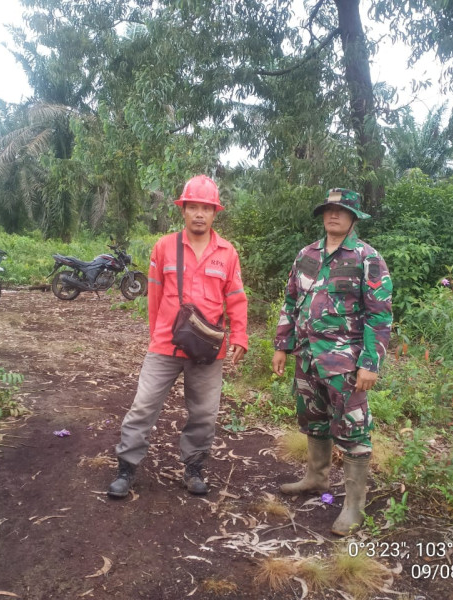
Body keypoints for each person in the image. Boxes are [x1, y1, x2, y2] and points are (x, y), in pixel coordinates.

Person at [108, 175, 248, 498]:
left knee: (204, 413)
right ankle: (126, 469)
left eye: (206, 208)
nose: (199, 214)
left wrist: (239, 335)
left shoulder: (227, 253)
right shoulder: (164, 247)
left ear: (215, 213)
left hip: (208, 349)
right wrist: (156, 335)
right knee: (143, 406)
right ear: (183, 210)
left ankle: (194, 468)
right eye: (193, 207)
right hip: (165, 345)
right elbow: (154, 299)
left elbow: (237, 298)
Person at [272, 187, 392, 535]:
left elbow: (379, 316)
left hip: (345, 364)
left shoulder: (368, 259)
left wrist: (371, 363)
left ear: (354, 218)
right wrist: (283, 344)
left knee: (354, 431)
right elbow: (291, 300)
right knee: (314, 420)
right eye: (328, 209)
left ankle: (354, 505)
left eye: (341, 210)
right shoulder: (306, 255)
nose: (333, 215)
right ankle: (315, 478)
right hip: (307, 358)